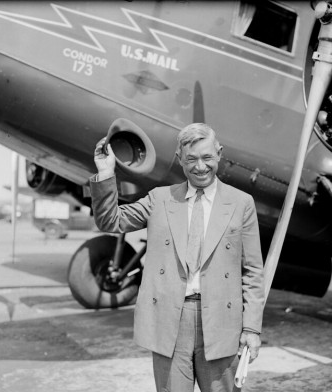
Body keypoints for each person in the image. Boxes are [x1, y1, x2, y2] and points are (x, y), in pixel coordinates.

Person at [90, 123, 265, 392]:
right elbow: (110, 221)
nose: (200, 167)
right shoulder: (159, 199)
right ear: (180, 158)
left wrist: (251, 329)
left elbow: (253, 272)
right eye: (191, 159)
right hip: (171, 321)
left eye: (207, 157)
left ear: (219, 153)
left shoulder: (242, 203)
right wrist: (105, 173)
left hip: (221, 322)